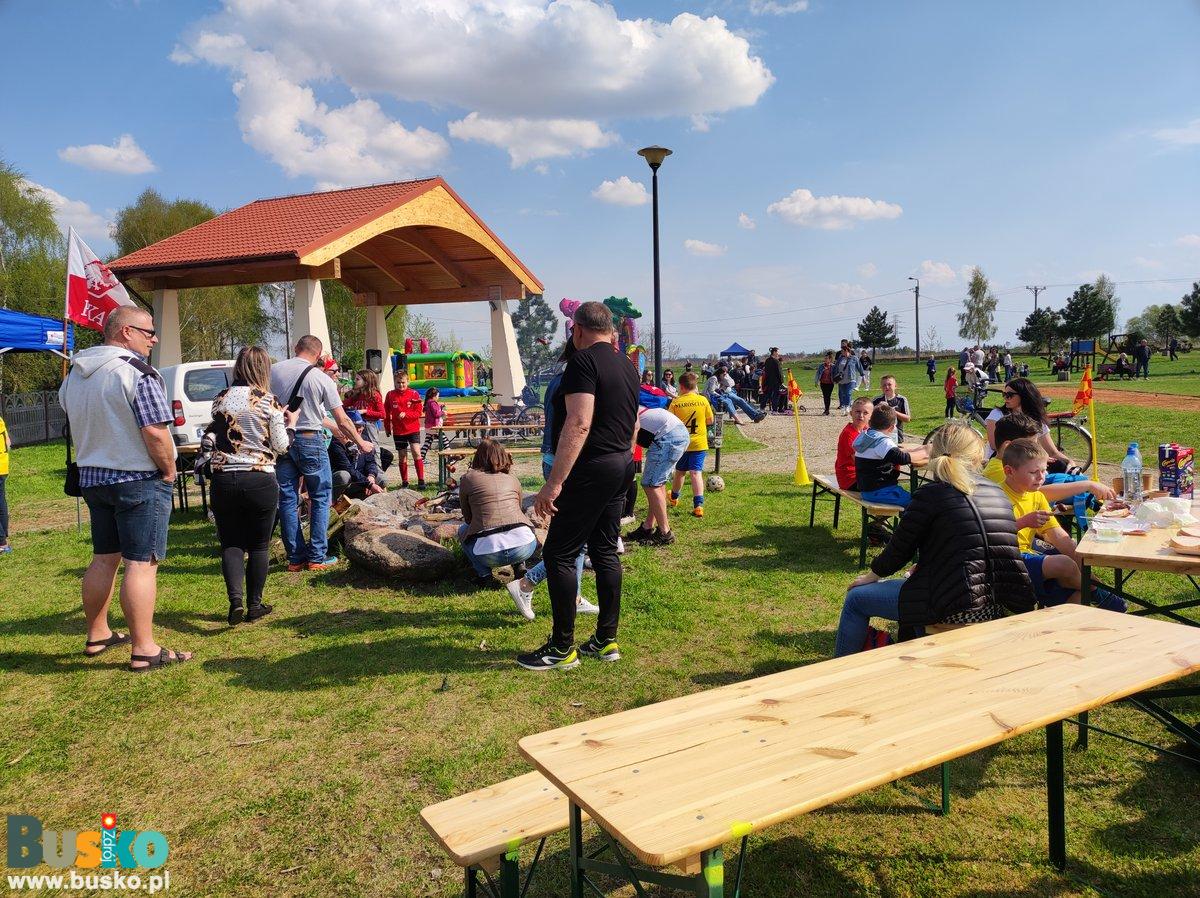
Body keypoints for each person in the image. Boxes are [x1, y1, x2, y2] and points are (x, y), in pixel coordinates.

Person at [59, 306, 190, 671]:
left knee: (104, 558)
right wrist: (169, 469)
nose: (154, 339)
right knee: (141, 563)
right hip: (137, 478)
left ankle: (98, 633)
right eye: (149, 332)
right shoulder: (137, 373)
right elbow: (155, 431)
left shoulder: (75, 375)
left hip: (93, 478)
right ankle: (144, 648)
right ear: (126, 332)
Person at [833, 423, 1035, 656]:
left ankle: (840, 668)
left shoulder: (931, 494)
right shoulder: (997, 492)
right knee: (915, 591)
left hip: (950, 604)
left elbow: (900, 549)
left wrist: (871, 576)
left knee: (856, 599)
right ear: (976, 456)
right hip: (994, 602)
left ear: (934, 452)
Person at [519, 301, 639, 671]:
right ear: (610, 330)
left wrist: (554, 484)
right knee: (604, 550)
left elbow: (579, 422)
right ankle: (605, 640)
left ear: (578, 329)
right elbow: (634, 422)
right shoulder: (627, 365)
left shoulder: (583, 362)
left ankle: (561, 648)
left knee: (559, 553)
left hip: (592, 468)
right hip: (621, 463)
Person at [507, 342, 597, 622]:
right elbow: (578, 424)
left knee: (575, 537)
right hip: (563, 462)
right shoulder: (574, 381)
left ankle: (574, 597)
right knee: (573, 538)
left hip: (553, 458)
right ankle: (526, 583)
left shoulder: (559, 379)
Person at [205, 346, 294, 625]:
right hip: (259, 476)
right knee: (258, 545)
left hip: (223, 477)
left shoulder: (219, 399)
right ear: (263, 369)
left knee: (231, 543)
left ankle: (235, 602)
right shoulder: (269, 400)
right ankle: (255, 604)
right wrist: (291, 425)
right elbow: (281, 445)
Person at [271, 335, 372, 572]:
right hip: (310, 439)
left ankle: (295, 558)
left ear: (296, 348)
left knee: (287, 498)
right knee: (320, 497)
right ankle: (317, 557)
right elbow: (342, 419)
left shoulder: (274, 371)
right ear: (318, 355)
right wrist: (360, 442)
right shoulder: (321, 378)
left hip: (282, 438)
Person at [999, 439, 1088, 607]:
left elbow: (1057, 535)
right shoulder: (997, 495)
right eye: (1034, 472)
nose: (1041, 477)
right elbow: (992, 533)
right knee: (1065, 564)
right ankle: (1098, 592)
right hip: (1007, 559)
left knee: (1078, 596)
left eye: (1044, 470)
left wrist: (1082, 559)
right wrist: (1024, 522)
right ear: (1009, 471)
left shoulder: (1037, 495)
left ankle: (1094, 594)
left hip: (1028, 554)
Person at [458, 438, 539, 587]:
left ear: (478, 456)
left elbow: (468, 519)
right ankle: (520, 566)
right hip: (525, 547)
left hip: (488, 554)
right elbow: (519, 509)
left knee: (462, 529)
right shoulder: (513, 479)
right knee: (517, 523)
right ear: (503, 456)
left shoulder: (467, 479)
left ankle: (484, 575)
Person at [625, 406, 691, 547]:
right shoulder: (629, 404)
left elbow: (635, 428)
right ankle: (647, 526)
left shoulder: (622, 410)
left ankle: (665, 533)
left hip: (668, 436)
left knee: (651, 484)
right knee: (657, 484)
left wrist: (629, 452)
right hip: (676, 433)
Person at [984, 377, 1076, 472]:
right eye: (1004, 394)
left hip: (1029, 463)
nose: (1005, 398)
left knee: (1062, 466)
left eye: (1009, 395)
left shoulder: (1035, 419)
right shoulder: (997, 414)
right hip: (1002, 463)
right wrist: (1038, 458)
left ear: (1024, 396)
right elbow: (995, 446)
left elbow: (1052, 452)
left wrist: (1069, 461)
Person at [852, 404, 927, 509]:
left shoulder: (867, 436)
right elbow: (902, 458)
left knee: (914, 501)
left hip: (867, 490)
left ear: (870, 422)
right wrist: (927, 451)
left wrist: (917, 449)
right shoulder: (882, 441)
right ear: (892, 428)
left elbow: (894, 453)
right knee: (917, 504)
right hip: (881, 491)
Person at [667, 372, 714, 518]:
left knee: (680, 471)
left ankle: (674, 497)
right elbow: (710, 420)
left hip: (681, 443)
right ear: (695, 385)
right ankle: (698, 505)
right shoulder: (703, 400)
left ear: (681, 386)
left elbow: (669, 422)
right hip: (699, 443)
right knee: (695, 472)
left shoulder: (676, 402)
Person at [330, 412, 387, 500]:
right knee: (344, 475)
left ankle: (365, 500)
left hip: (360, 480)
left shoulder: (365, 439)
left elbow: (371, 461)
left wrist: (371, 475)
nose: (360, 429)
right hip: (345, 482)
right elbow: (347, 468)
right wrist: (368, 484)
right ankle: (332, 501)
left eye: (361, 426)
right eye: (356, 426)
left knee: (381, 478)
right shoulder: (337, 442)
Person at [383, 371, 425, 489]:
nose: (401, 385)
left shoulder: (414, 394)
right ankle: (405, 482)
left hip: (412, 429)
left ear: (408, 382)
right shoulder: (390, 395)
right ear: (394, 382)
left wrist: (406, 414)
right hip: (398, 431)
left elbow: (418, 413)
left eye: (403, 382)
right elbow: (386, 413)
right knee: (402, 456)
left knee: (416, 452)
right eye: (398, 383)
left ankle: (421, 480)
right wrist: (387, 427)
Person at [835, 397, 874, 490]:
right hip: (850, 478)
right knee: (884, 484)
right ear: (851, 413)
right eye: (857, 412)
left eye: (865, 413)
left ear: (871, 416)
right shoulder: (848, 434)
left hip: (861, 474)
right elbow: (858, 462)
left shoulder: (867, 430)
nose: (861, 415)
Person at [871, 375, 911, 443]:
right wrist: (877, 408)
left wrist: (892, 411)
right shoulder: (876, 400)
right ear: (881, 387)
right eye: (884, 385)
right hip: (879, 437)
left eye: (889, 384)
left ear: (895, 386)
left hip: (897, 436)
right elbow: (869, 417)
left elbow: (907, 419)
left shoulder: (901, 399)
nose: (887, 387)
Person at [419, 386, 449, 465]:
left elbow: (434, 411)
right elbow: (436, 414)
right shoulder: (432, 403)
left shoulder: (428, 402)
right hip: (435, 427)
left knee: (427, 443)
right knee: (445, 441)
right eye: (438, 396)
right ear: (434, 396)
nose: (438, 397)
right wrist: (443, 412)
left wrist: (440, 407)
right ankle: (450, 456)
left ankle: (421, 458)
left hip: (429, 427)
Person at [832, 345, 863, 414]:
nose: (841, 352)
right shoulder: (840, 358)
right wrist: (834, 378)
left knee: (848, 393)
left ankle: (847, 407)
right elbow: (836, 368)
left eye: (842, 351)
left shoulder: (854, 358)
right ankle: (844, 406)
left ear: (846, 351)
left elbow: (859, 367)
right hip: (841, 380)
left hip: (851, 379)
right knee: (843, 394)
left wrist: (862, 375)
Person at [761, 347, 785, 413]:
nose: (778, 353)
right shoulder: (776, 361)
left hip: (768, 380)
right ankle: (774, 410)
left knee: (767, 394)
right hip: (776, 381)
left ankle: (762, 408)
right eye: (777, 352)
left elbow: (765, 371)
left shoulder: (767, 360)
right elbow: (779, 372)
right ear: (774, 352)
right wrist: (781, 381)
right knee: (775, 395)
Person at [0, 411, 9, 554]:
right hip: (3, 465)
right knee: (1, 501)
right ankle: (3, 540)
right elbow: (8, 442)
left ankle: (1, 541)